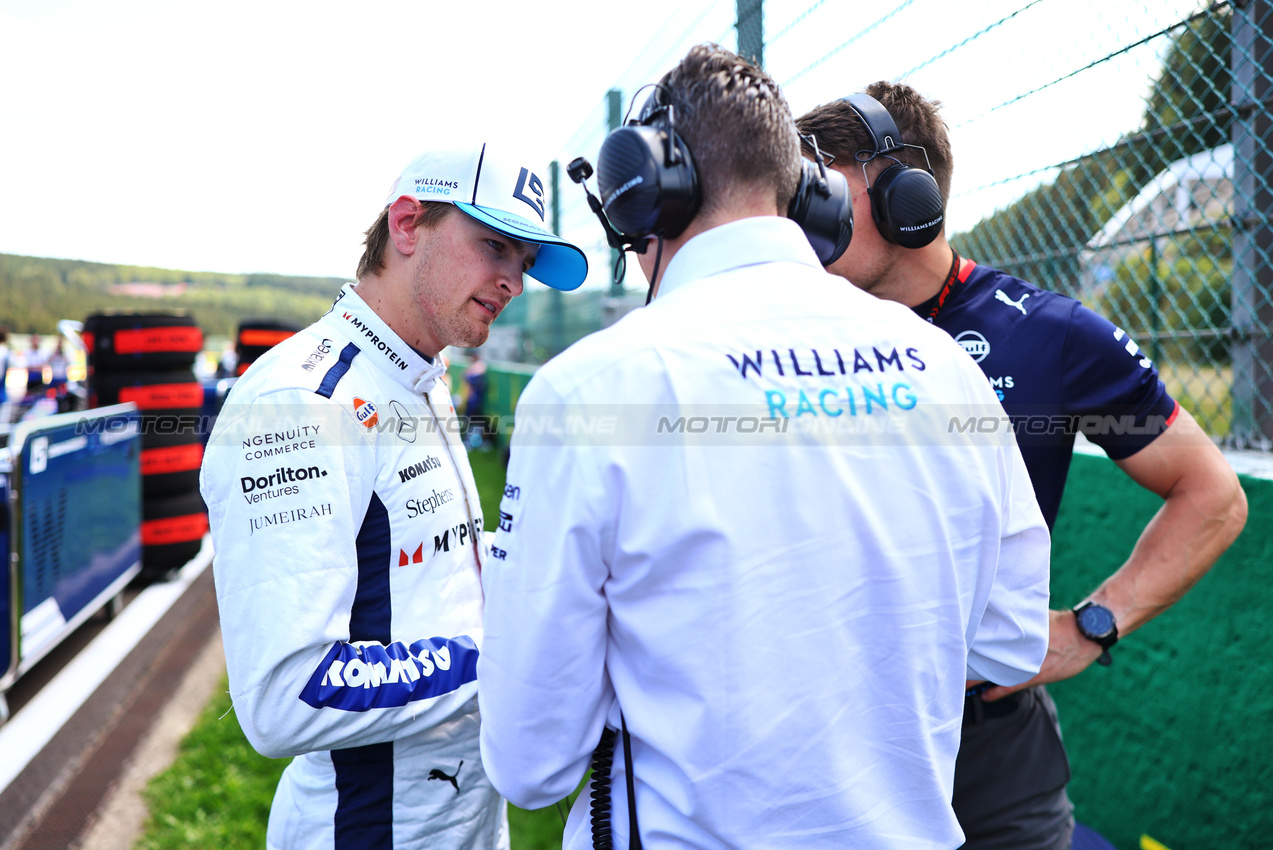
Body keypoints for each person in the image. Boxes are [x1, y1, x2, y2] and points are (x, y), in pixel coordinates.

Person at [477, 45, 1051, 850]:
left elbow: (529, 761)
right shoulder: (947, 366)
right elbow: (1010, 638)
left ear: (644, 192)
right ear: (809, 198)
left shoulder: (587, 393)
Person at [796, 82, 1249, 850]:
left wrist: (1090, 627)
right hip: (827, 732)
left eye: (823, 197)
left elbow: (1211, 495)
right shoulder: (786, 339)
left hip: (993, 751)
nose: (806, 224)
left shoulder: (1048, 337)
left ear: (908, 199)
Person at [200, 140, 587, 850]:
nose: (513, 281)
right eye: (495, 245)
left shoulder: (417, 375)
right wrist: (496, 653)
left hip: (462, 817)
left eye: (524, 263)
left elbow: (424, 567)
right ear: (406, 225)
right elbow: (285, 695)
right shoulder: (301, 403)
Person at [462, 351, 488, 448]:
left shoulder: (480, 366)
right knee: (469, 420)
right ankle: (470, 440)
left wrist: (469, 374)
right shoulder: (474, 366)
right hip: (471, 399)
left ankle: (476, 441)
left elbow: (470, 378)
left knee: (475, 420)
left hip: (476, 399)